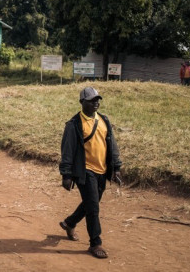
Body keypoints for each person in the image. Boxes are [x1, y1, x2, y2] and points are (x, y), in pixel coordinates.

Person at [59, 87, 122, 259]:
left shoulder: (104, 120)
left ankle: (69, 223)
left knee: (90, 203)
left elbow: (112, 145)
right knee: (93, 207)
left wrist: (116, 168)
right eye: (92, 100)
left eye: (97, 100)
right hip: (85, 171)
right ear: (82, 102)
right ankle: (95, 243)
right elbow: (67, 150)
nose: (96, 103)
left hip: (102, 170)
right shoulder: (74, 125)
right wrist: (66, 174)